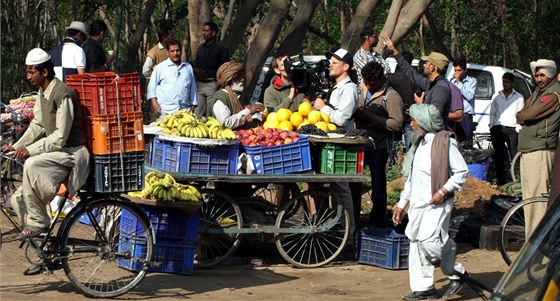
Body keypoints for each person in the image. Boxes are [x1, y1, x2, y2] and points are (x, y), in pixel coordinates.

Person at [4, 48, 90, 275]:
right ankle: (45, 252)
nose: (28, 76)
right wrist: (16, 146)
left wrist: (29, 151)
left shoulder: (63, 95)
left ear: (44, 72)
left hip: (72, 153)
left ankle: (39, 221)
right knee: (16, 199)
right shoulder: (42, 93)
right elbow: (38, 126)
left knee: (32, 164)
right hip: (57, 153)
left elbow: (60, 137)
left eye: (31, 72)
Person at [392, 104, 469, 300]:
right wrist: (402, 204)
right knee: (416, 243)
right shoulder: (419, 145)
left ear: (424, 123)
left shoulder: (445, 143)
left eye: (414, 120)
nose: (411, 123)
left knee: (429, 242)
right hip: (418, 204)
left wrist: (443, 192)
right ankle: (424, 287)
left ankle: (458, 273)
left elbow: (461, 172)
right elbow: (411, 178)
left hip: (437, 203)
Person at [313, 48, 358, 243]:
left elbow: (341, 118)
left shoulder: (349, 89)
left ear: (346, 66)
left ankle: (349, 233)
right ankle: (336, 229)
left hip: (340, 145)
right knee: (332, 188)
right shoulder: (336, 87)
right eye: (330, 61)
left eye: (335, 62)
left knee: (341, 188)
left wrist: (323, 108)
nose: (330, 64)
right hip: (330, 143)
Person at [353, 61, 403, 228]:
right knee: (354, 183)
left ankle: (378, 220)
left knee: (378, 185)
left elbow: (397, 124)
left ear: (382, 78)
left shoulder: (392, 96)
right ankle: (354, 217)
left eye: (372, 83)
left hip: (378, 147)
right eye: (366, 82)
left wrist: (372, 119)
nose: (368, 86)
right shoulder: (361, 89)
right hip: (359, 144)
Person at [516, 59, 560, 238]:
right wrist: (523, 114)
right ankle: (530, 241)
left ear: (550, 75)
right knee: (529, 200)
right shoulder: (538, 93)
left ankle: (537, 245)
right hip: (529, 150)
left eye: (542, 75)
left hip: (540, 150)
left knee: (538, 202)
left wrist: (523, 115)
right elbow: (522, 113)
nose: (538, 78)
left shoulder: (554, 93)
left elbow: (529, 114)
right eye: (537, 75)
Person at [382, 34, 451, 125]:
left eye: (427, 63)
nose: (424, 65)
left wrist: (420, 105)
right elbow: (411, 73)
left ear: (432, 67)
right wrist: (394, 51)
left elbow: (435, 117)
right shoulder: (431, 83)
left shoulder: (440, 89)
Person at [147, 39, 197, 121]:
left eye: (177, 50)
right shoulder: (160, 68)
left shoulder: (188, 67)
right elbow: (151, 88)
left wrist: (193, 106)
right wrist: (156, 106)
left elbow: (193, 88)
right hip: (165, 111)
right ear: (168, 53)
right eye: (172, 51)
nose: (175, 53)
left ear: (181, 51)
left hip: (185, 111)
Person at [489, 72, 524, 185]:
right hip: (498, 128)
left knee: (515, 155)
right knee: (499, 156)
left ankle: (517, 180)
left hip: (512, 129)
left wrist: (518, 128)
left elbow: (520, 114)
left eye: (507, 82)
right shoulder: (497, 96)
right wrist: (491, 126)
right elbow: (492, 113)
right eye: (504, 82)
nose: (505, 84)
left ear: (512, 83)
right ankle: (501, 181)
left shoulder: (518, 97)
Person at [207, 61, 264, 129]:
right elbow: (226, 123)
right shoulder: (221, 98)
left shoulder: (236, 96)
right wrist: (249, 110)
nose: (242, 80)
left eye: (242, 77)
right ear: (228, 79)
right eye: (238, 78)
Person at [194, 21, 230, 117]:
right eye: (203, 31)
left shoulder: (221, 48)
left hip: (213, 84)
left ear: (213, 33)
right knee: (197, 114)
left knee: (211, 114)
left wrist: (218, 83)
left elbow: (225, 68)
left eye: (206, 31)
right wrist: (195, 70)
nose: (203, 33)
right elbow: (196, 62)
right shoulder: (201, 47)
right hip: (200, 85)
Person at [386, 51, 415, 150]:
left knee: (394, 144)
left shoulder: (392, 77)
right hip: (410, 114)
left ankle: (393, 161)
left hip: (394, 113)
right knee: (410, 146)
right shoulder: (416, 77)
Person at [450, 58, 477, 146]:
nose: (457, 72)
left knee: (466, 144)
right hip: (454, 115)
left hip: (465, 116)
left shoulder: (472, 81)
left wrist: (458, 82)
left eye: (459, 70)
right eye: (455, 70)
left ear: (465, 70)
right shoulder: (451, 81)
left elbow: (469, 96)